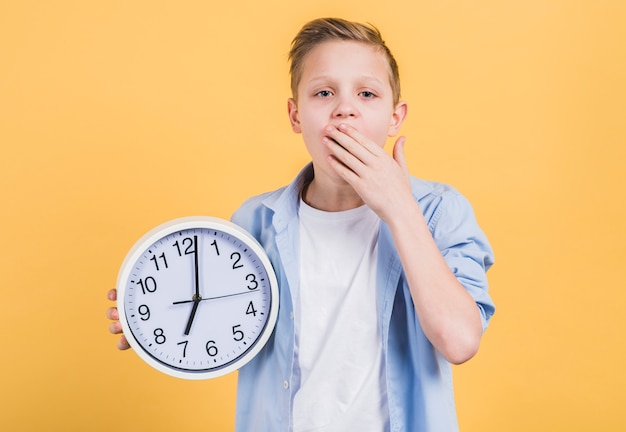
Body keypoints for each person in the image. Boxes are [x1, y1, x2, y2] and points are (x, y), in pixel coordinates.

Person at [107, 17, 495, 431]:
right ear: (295, 115)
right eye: (323, 92)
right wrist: (157, 325)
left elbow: (459, 341)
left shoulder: (438, 212)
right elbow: (225, 321)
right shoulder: (255, 223)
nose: (345, 107)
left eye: (367, 93)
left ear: (395, 118)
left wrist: (401, 209)